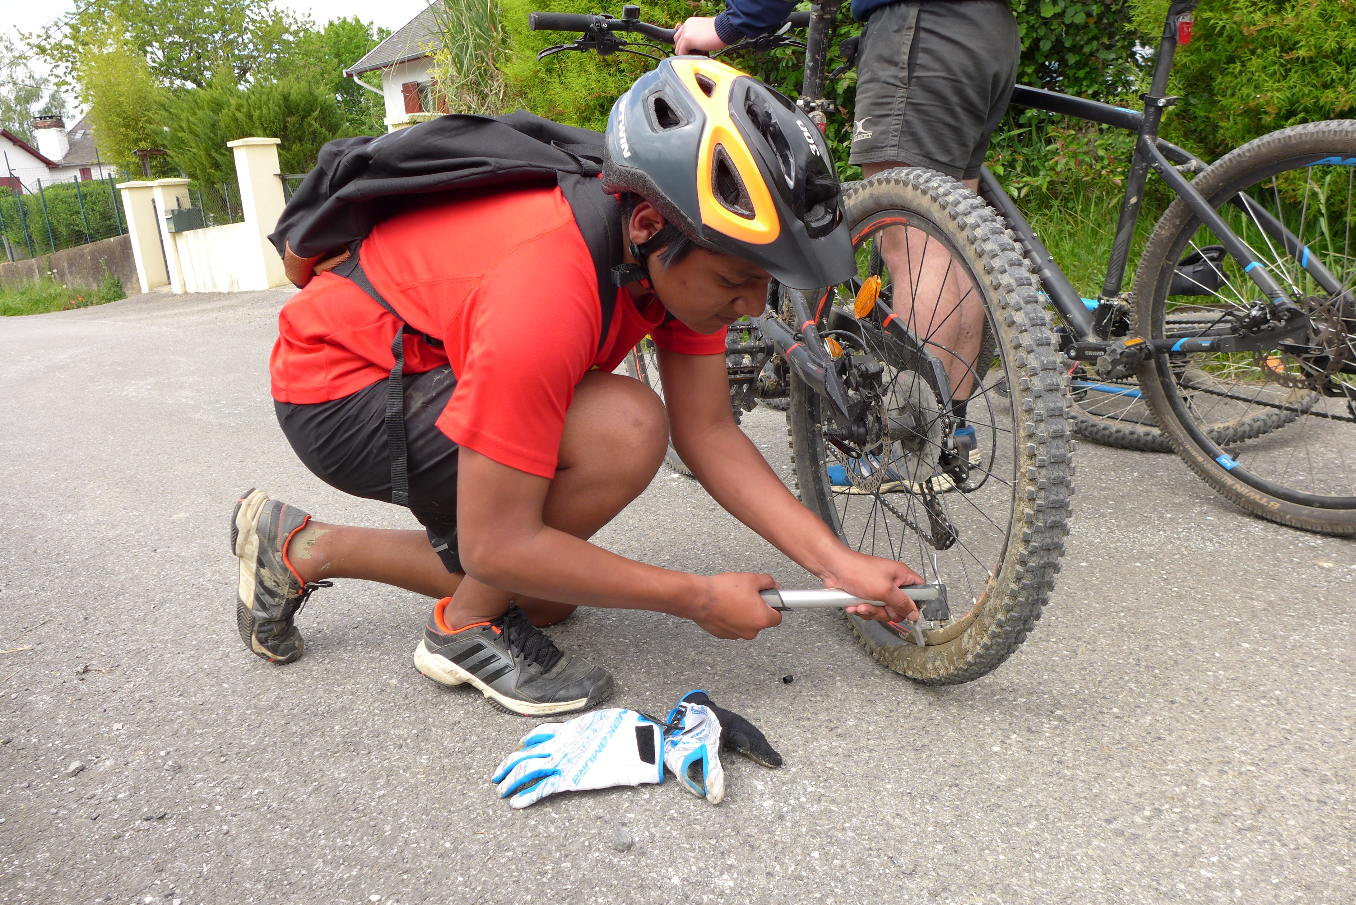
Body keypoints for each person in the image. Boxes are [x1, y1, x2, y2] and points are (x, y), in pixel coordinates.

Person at [233, 58, 924, 718]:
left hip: (426, 361)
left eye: (763, 283)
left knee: (546, 597)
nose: (749, 307)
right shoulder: (548, 290)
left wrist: (838, 563)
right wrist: (695, 597)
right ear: (648, 226)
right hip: (342, 390)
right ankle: (462, 630)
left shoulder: (669, 249)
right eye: (734, 282)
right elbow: (496, 549)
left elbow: (711, 431)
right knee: (622, 434)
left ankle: (299, 546)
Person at [677, 0, 1020, 462]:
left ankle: (911, 449)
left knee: (915, 246)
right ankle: (950, 437)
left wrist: (727, 25)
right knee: (953, 241)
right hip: (989, 28)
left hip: (919, 30)